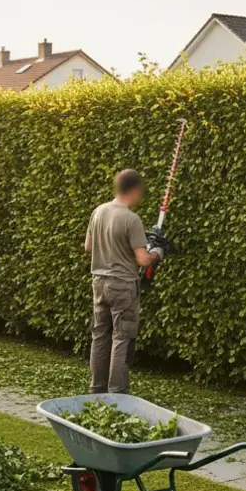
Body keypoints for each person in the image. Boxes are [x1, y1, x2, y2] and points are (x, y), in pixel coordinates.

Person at [83, 169, 163, 394]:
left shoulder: (98, 211)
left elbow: (88, 246)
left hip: (99, 282)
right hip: (123, 286)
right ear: (135, 190)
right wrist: (156, 252)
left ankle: (96, 389)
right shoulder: (131, 219)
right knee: (122, 338)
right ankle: (117, 394)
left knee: (99, 336)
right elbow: (142, 260)